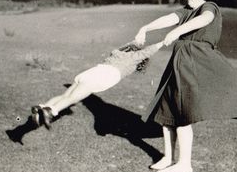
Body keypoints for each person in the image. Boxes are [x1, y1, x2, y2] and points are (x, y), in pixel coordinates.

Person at [134, 0, 237, 172]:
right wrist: (145, 28)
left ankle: (184, 165)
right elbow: (170, 18)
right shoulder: (188, 10)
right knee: (167, 110)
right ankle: (168, 158)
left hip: (195, 62)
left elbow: (205, 19)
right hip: (179, 62)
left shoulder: (209, 7)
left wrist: (177, 31)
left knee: (182, 113)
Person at [31, 42, 164, 129]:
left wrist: (136, 41)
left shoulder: (117, 52)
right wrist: (163, 42)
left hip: (91, 72)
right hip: (102, 76)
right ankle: (51, 111)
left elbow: (130, 46)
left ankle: (41, 107)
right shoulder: (134, 59)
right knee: (71, 99)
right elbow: (147, 52)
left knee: (65, 96)